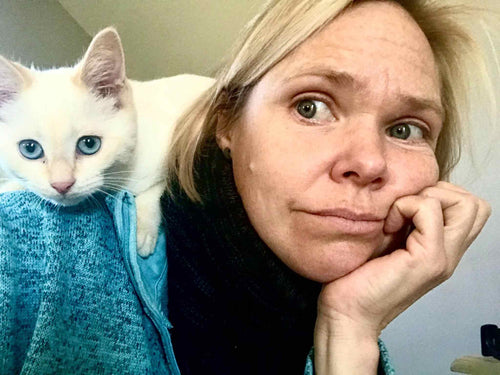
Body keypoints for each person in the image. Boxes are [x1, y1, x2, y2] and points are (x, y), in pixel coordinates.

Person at [0, 0, 493, 374]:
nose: (367, 163)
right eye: (311, 106)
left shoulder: (354, 317)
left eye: (405, 128)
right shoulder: (27, 245)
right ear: (227, 122)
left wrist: (350, 329)